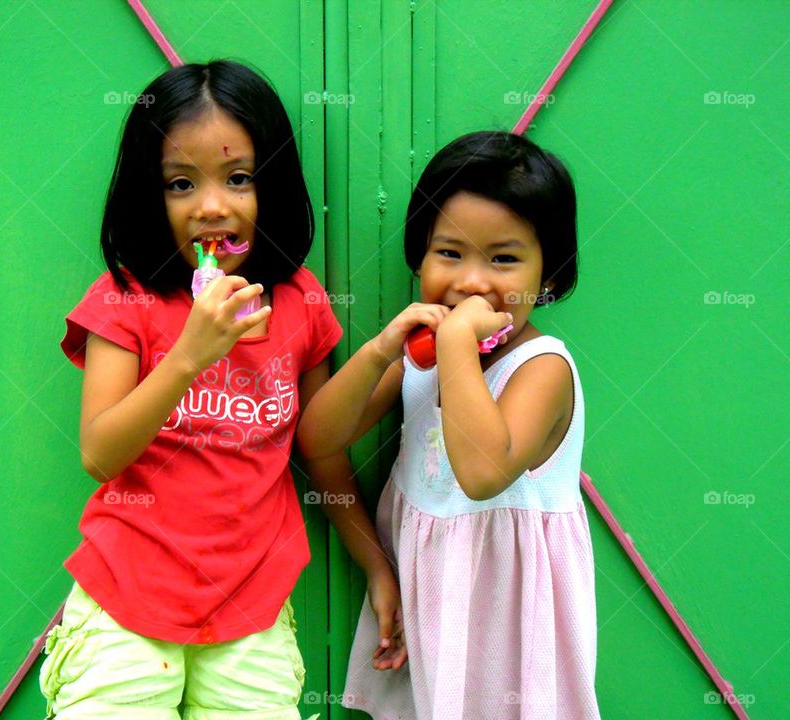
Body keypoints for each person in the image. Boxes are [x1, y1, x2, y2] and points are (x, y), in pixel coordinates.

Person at [39, 60, 403, 720]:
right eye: (181, 183)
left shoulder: (299, 302)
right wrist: (187, 357)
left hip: (250, 606)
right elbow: (100, 453)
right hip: (127, 598)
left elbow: (320, 449)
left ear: (273, 187)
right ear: (154, 198)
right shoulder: (127, 302)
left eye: (238, 178)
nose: (211, 206)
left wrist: (375, 565)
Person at [298, 131, 600, 719]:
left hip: (509, 623)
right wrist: (383, 350)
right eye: (450, 253)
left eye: (504, 258)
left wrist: (458, 341)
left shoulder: (543, 369)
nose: (472, 281)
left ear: (550, 275)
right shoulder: (417, 356)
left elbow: (483, 473)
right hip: (430, 604)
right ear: (418, 257)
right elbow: (318, 439)